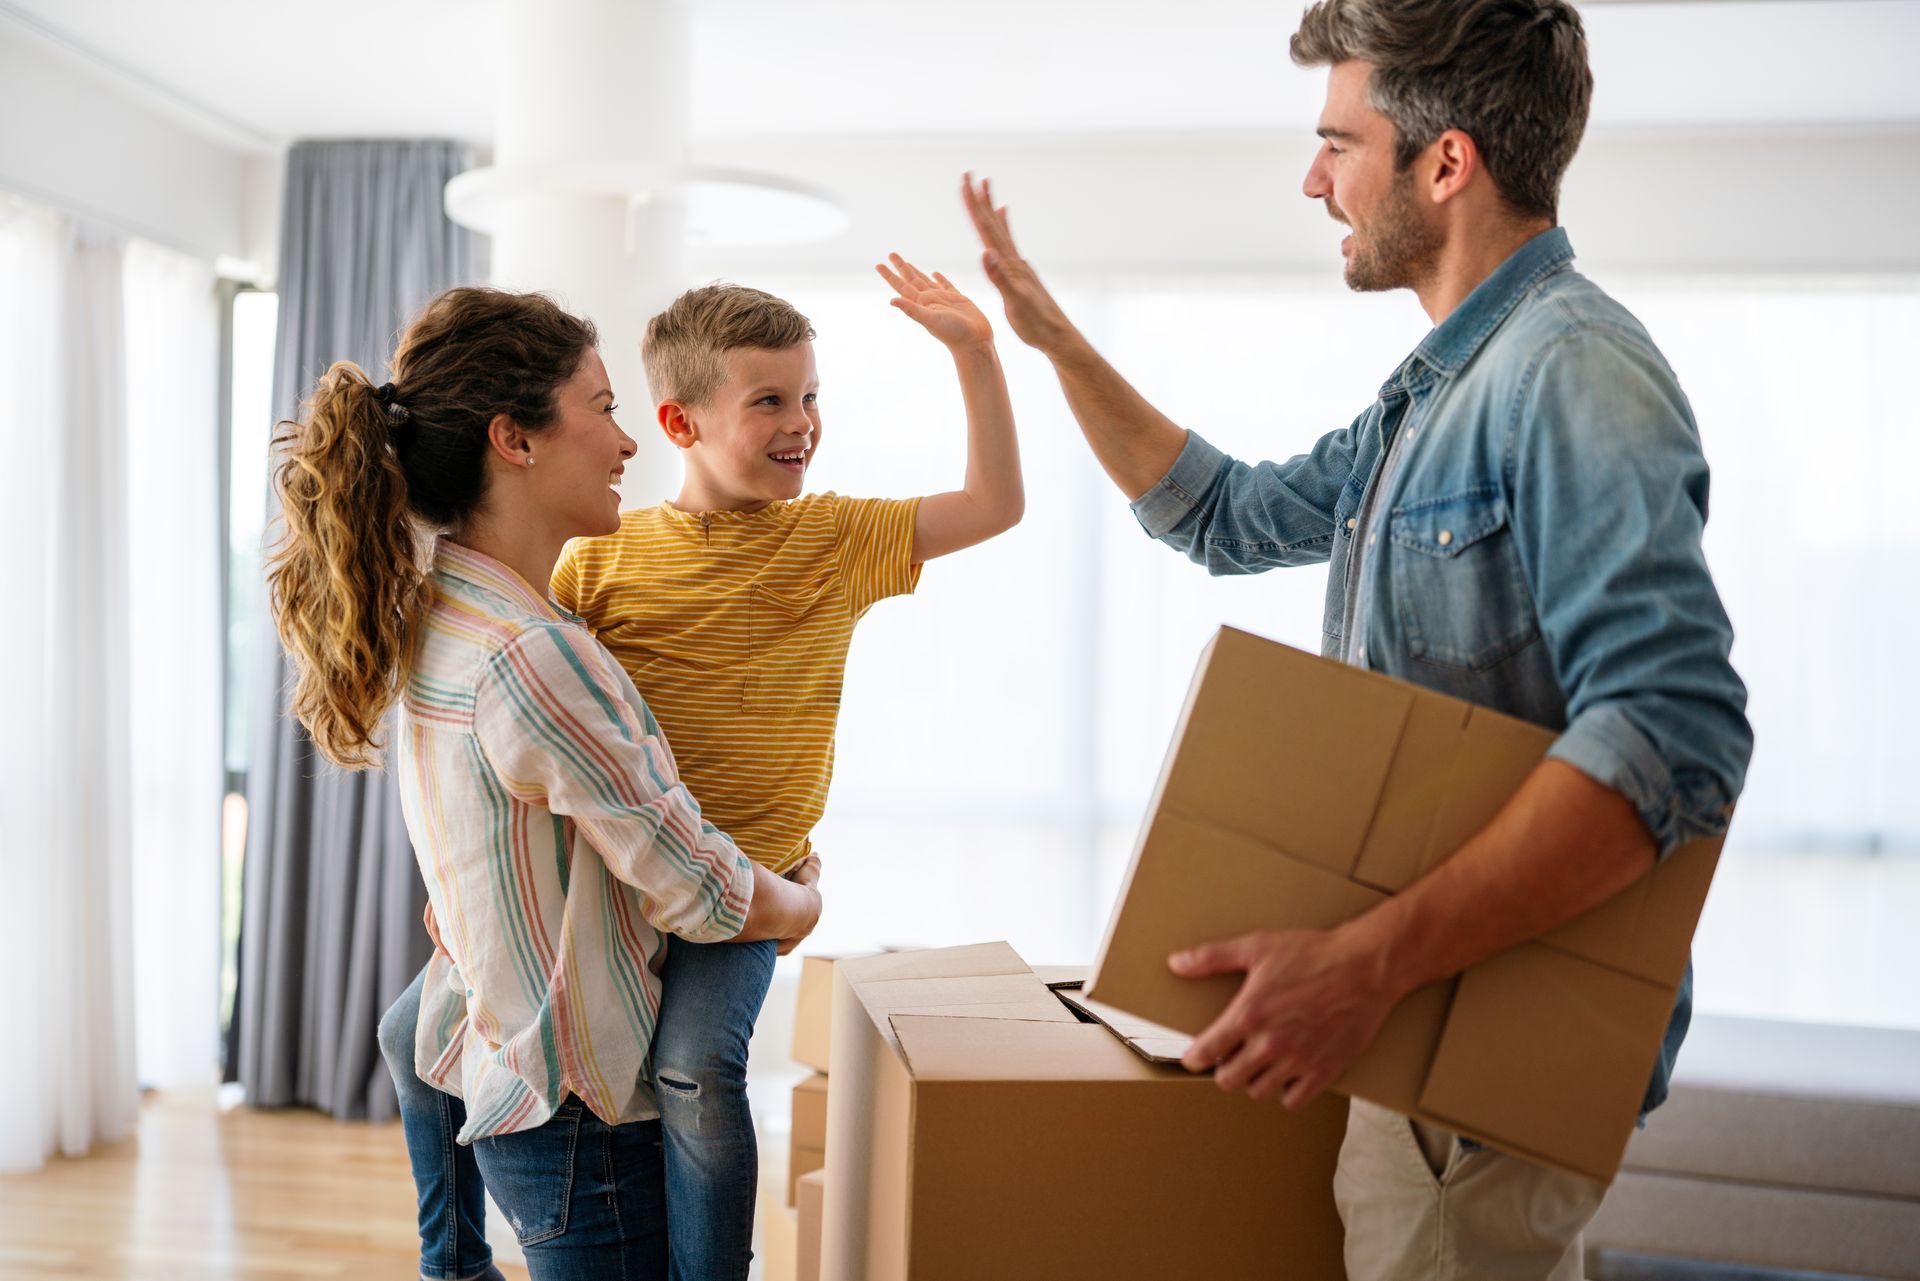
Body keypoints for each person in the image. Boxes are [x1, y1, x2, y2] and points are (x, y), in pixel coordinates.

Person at [959, 0, 1752, 1273]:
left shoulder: (1571, 373)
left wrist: (1364, 965)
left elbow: (1676, 732)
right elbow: (1224, 514)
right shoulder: (1434, 394)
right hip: (1423, 1038)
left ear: (1446, 165)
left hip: (1477, 1056)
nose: (1313, 179)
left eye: (1341, 142)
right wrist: (1054, 341)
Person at [384, 260, 1024, 1281]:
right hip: (635, 888)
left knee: (692, 1069)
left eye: (811, 395)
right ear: (680, 425)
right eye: (769, 399)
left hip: (750, 880)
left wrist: (976, 355)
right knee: (405, 1033)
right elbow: (522, 743)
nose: (801, 420)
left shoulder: (835, 540)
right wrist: (472, 895)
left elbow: (994, 503)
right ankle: (449, 1259)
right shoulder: (597, 559)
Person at [269, 286, 822, 1281]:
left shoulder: (441, 609)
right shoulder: (534, 656)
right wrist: (801, 900)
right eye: (603, 409)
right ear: (514, 441)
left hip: (523, 1090)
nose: (627, 446)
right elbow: (699, 891)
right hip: (586, 1125)